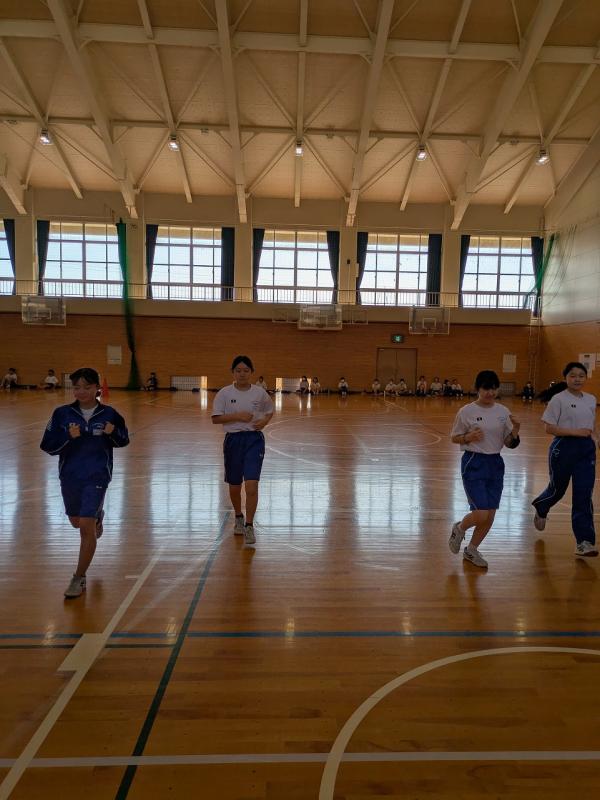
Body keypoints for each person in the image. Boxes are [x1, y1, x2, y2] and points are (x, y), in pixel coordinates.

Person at [40, 367, 129, 598]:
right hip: (70, 476)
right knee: (76, 522)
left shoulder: (110, 414)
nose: (81, 392)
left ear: (97, 388)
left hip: (97, 476)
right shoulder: (62, 414)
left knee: (86, 526)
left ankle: (78, 577)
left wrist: (112, 433)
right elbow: (47, 445)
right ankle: (98, 516)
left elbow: (123, 440)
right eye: (77, 387)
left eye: (87, 387)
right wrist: (67, 436)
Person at [448, 369, 521, 569]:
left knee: (490, 515)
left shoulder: (503, 412)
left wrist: (515, 430)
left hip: (495, 463)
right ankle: (459, 528)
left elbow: (509, 443)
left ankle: (472, 549)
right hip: (474, 462)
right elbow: (454, 437)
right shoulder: (466, 411)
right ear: (477, 389)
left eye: (494, 388)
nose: (490, 393)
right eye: (486, 388)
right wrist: (467, 437)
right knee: (480, 514)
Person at [531, 362, 599, 558]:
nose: (577, 379)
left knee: (583, 495)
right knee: (557, 490)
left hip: (586, 450)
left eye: (581, 376)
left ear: (586, 378)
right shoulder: (558, 399)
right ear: (566, 378)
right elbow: (549, 428)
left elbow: (591, 424)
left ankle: (584, 542)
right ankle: (542, 506)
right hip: (563, 448)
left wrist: (596, 438)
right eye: (573, 375)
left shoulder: (591, 399)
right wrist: (576, 432)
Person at [212, 355, 274, 547]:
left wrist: (264, 421)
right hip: (233, 441)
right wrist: (237, 416)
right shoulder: (224, 393)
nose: (242, 374)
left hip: (254, 440)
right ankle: (238, 516)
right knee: (235, 486)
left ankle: (249, 525)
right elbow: (215, 418)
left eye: (246, 371)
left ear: (251, 372)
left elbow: (269, 410)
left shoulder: (259, 393)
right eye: (238, 371)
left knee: (252, 485)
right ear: (233, 372)